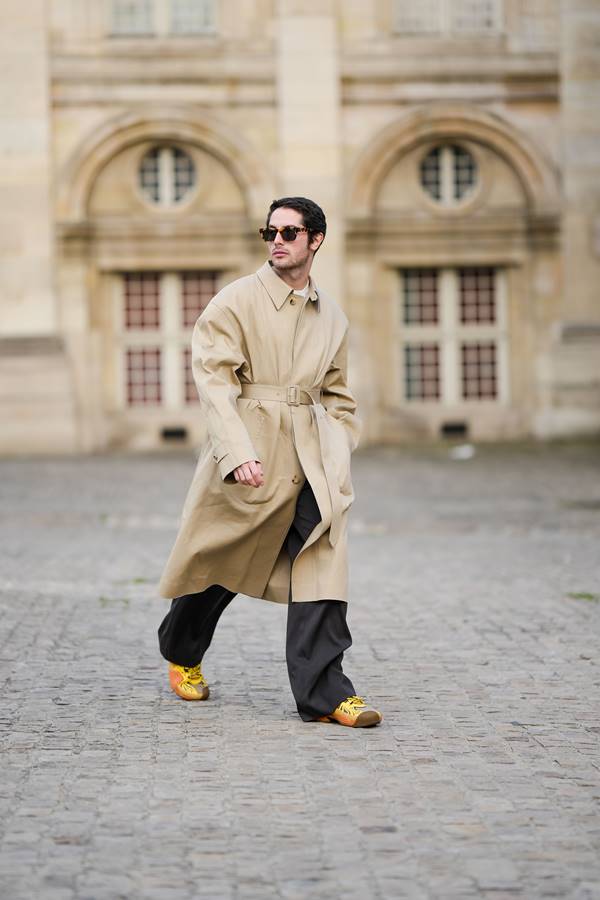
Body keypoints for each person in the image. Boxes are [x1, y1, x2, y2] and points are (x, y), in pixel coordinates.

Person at [157, 196, 382, 728]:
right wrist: (236, 453)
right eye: (270, 231)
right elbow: (214, 385)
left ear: (315, 240)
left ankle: (326, 692)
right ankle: (181, 647)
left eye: (289, 231)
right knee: (223, 560)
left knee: (321, 561)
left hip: (312, 458)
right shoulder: (234, 301)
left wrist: (338, 445)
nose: (277, 240)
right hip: (250, 449)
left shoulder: (334, 317)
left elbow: (339, 395)